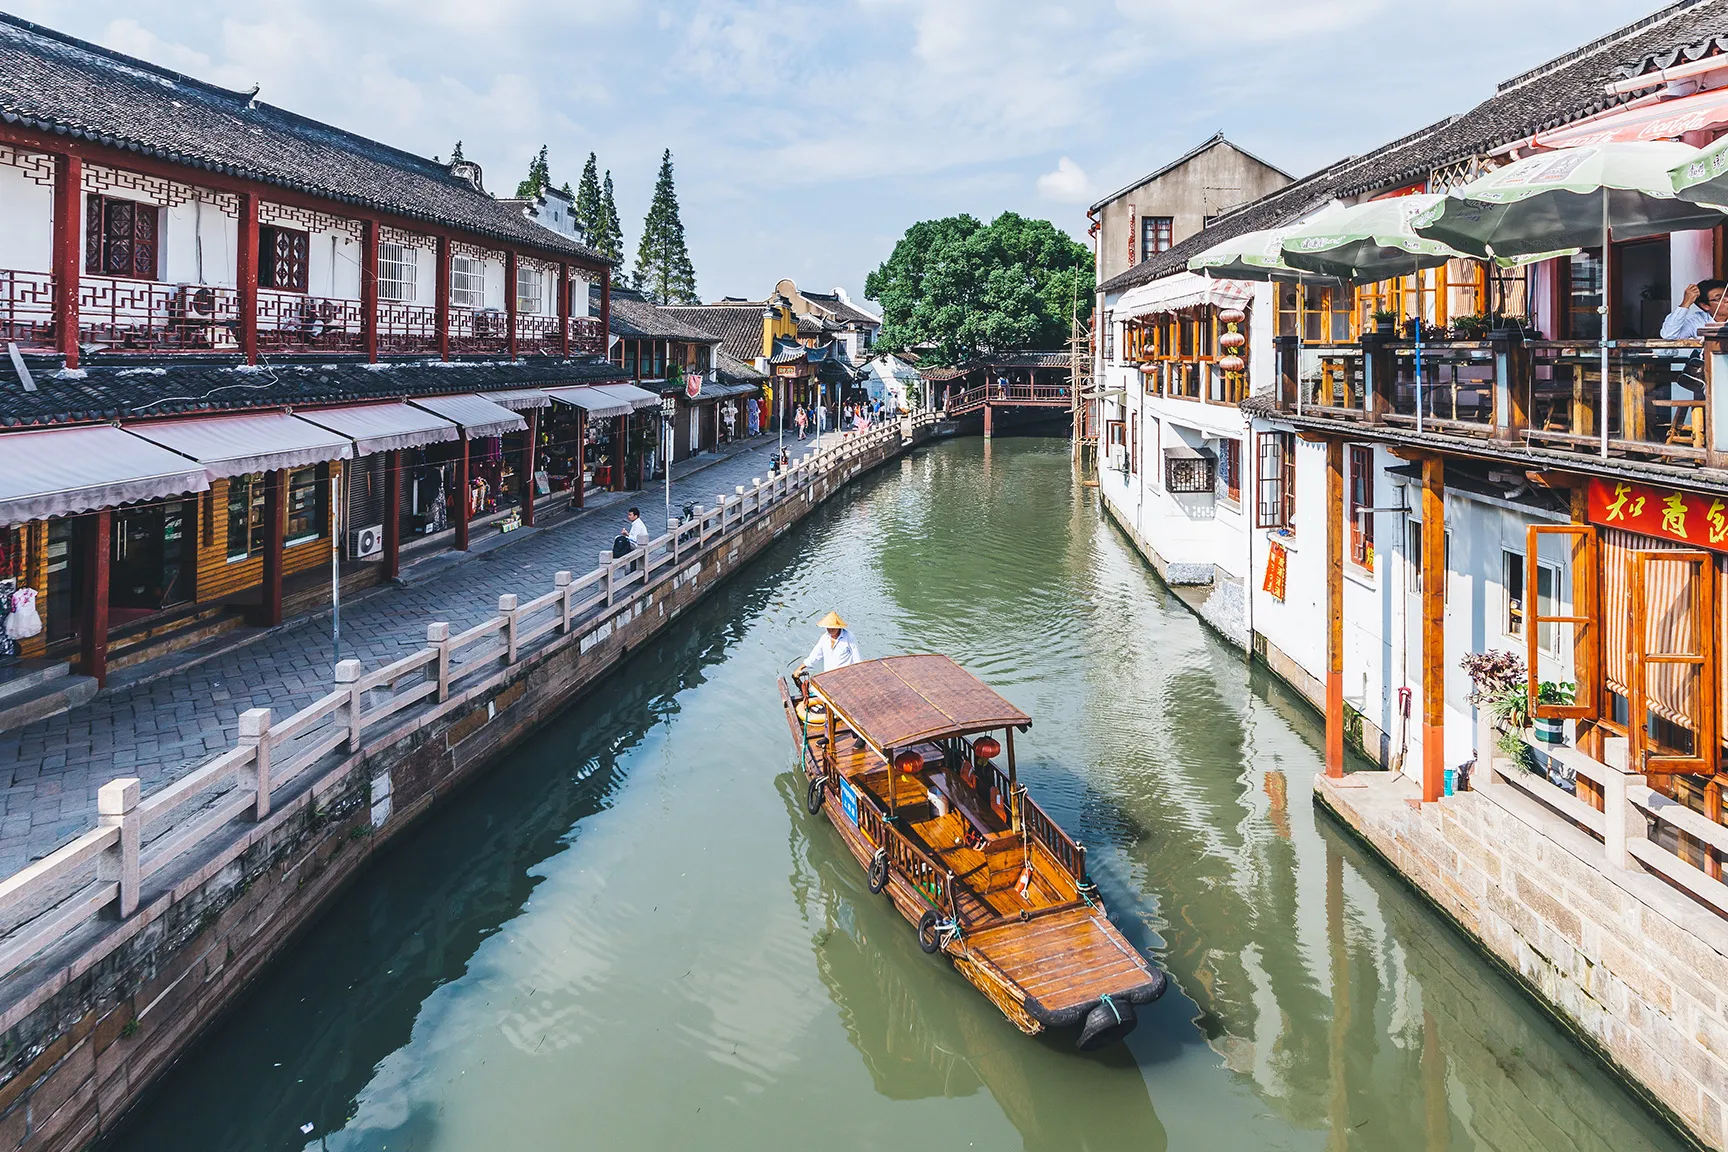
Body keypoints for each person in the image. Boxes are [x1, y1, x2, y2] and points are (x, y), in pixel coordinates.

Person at [796, 610, 861, 677]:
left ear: (838, 626)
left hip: (846, 677)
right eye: (828, 627)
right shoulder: (824, 638)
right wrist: (800, 668)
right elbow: (814, 656)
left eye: (833, 627)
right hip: (829, 677)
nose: (830, 629)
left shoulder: (849, 637)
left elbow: (857, 660)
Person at [1661, 280, 1726, 340]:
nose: (1727, 300)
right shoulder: (1697, 320)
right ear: (1705, 306)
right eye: (1719, 298)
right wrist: (1686, 303)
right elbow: (1669, 336)